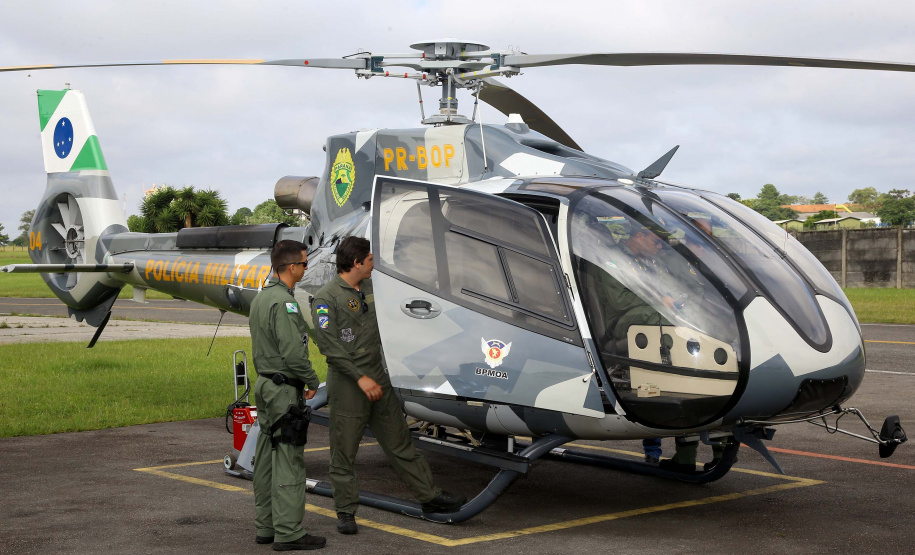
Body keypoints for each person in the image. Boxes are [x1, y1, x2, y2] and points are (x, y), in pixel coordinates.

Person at [312, 236, 465, 536]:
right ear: (356, 262)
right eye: (369, 259)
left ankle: (430, 498)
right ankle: (345, 511)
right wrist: (360, 378)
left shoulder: (371, 289)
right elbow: (329, 347)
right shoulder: (326, 297)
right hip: (348, 382)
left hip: (376, 375)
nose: (373, 263)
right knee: (344, 452)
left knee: (399, 440)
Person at [249, 239, 325, 551]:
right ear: (292, 267)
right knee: (289, 459)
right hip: (283, 389)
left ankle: (266, 527)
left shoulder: (262, 298)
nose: (306, 269)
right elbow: (293, 353)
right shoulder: (285, 302)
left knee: (266, 457)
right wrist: (311, 379)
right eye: (305, 264)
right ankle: (289, 532)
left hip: (265, 385)